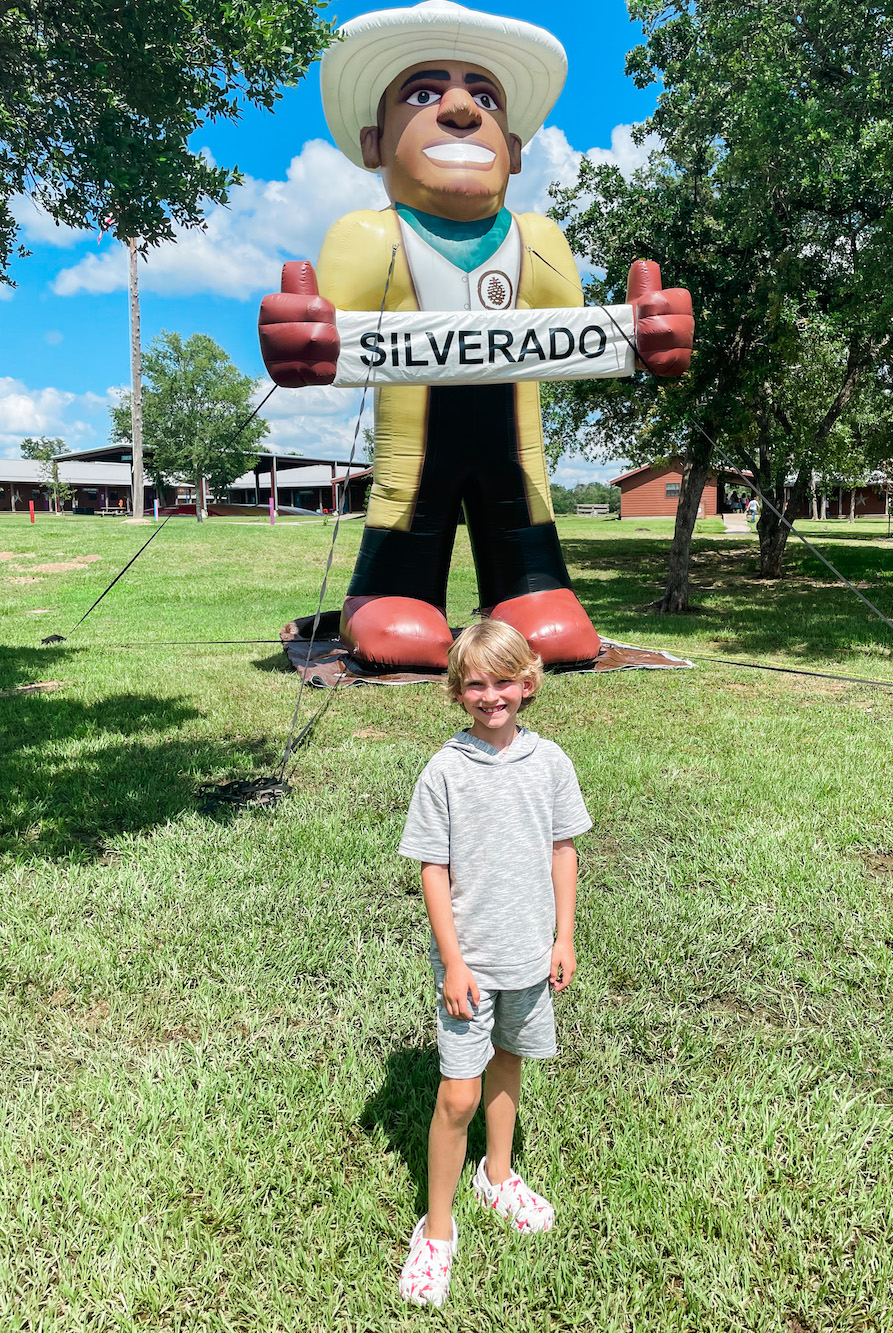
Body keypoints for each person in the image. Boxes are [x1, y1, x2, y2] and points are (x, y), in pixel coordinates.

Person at [258, 0, 693, 671]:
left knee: (521, 506)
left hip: (517, 455)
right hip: (410, 458)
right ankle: (388, 591)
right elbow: (327, 334)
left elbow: (581, 340)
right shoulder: (369, 237)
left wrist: (647, 332)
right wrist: (302, 338)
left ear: (513, 152)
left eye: (484, 96)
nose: (461, 110)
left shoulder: (539, 241)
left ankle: (530, 590)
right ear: (376, 143)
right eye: (425, 92)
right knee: (407, 505)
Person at [396, 619, 591, 1307]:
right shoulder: (445, 769)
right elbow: (432, 868)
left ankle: (498, 1175)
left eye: (503, 680)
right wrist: (452, 960)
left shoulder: (552, 763)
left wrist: (562, 936)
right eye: (475, 683)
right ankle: (438, 1229)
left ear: (529, 682)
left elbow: (563, 850)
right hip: (470, 965)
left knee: (509, 1061)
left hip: (530, 957)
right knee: (458, 1093)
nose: (490, 694)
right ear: (457, 691)